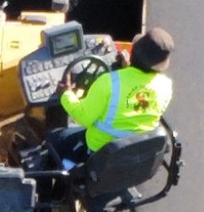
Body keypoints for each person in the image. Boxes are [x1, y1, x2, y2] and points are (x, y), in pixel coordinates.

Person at [50, 27, 175, 163]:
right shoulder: (166, 86)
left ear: (133, 52)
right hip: (136, 153)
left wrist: (66, 93)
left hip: (100, 152)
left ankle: (57, 180)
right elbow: (137, 92)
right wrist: (128, 68)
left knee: (55, 137)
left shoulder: (109, 82)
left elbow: (83, 118)